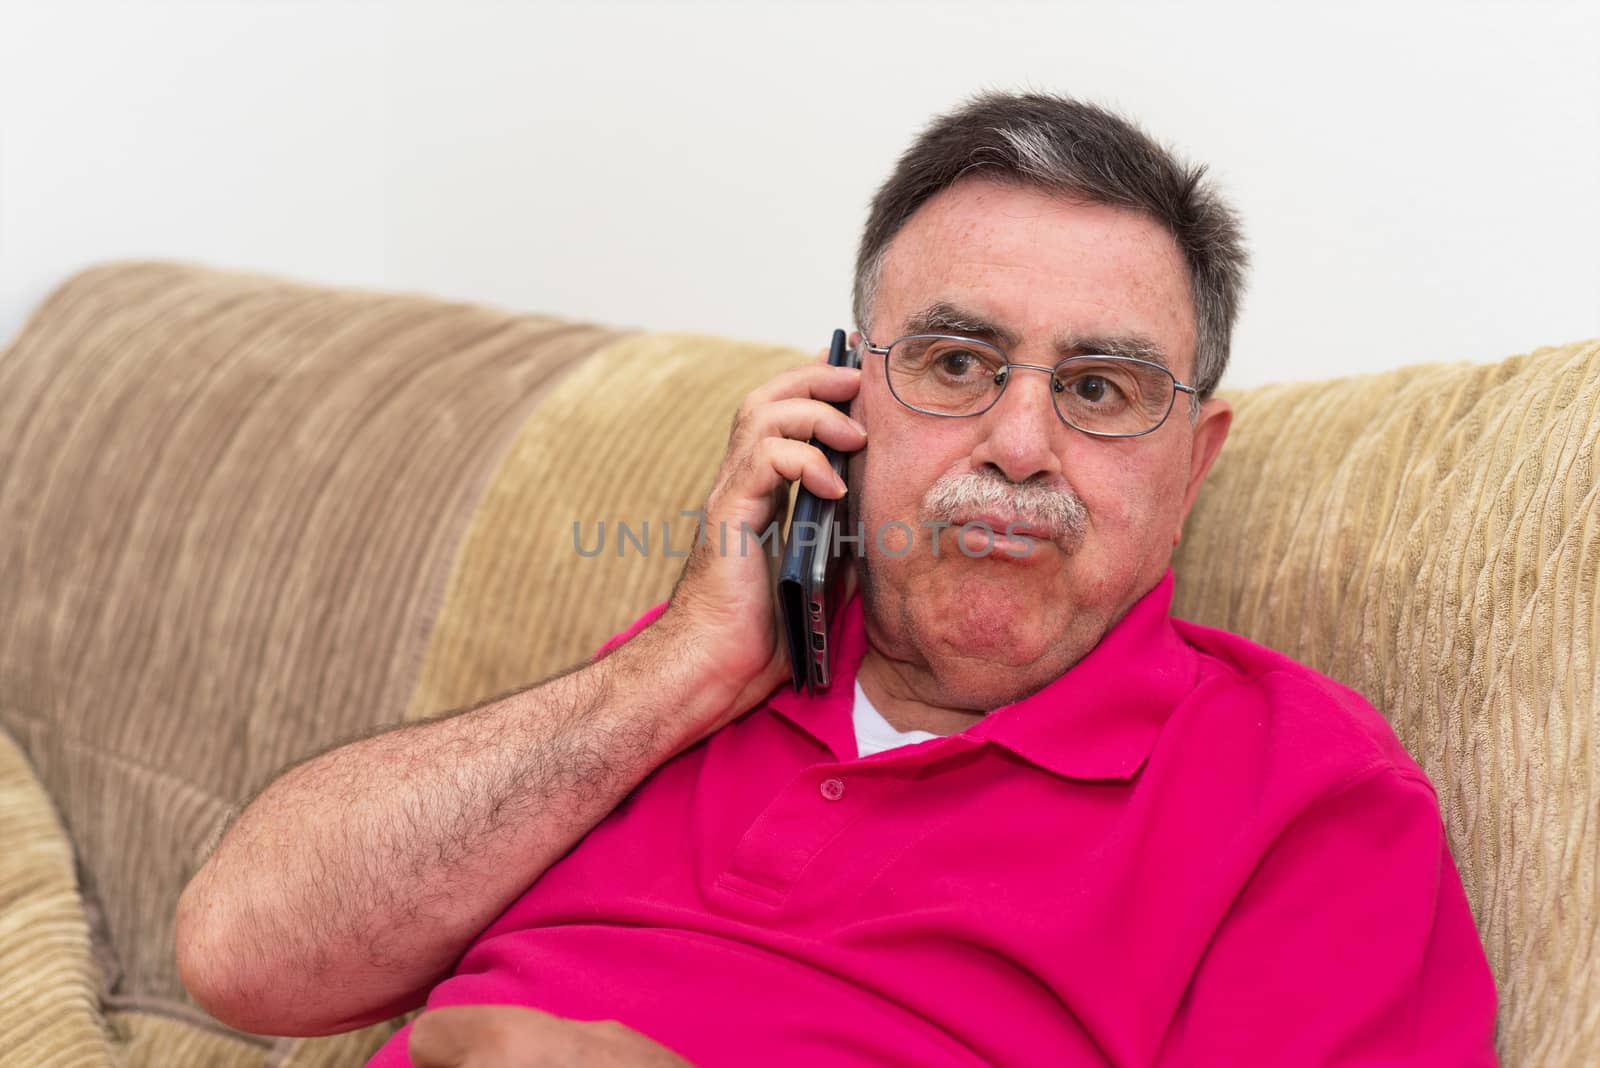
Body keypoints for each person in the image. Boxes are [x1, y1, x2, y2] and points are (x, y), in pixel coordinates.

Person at [175, 92, 1499, 1067]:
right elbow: (242, 957)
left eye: (1101, 389)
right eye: (957, 363)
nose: (1020, 445)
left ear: (1192, 462)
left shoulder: (1304, 793)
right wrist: (677, 666)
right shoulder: (697, 671)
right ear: (844, 394)